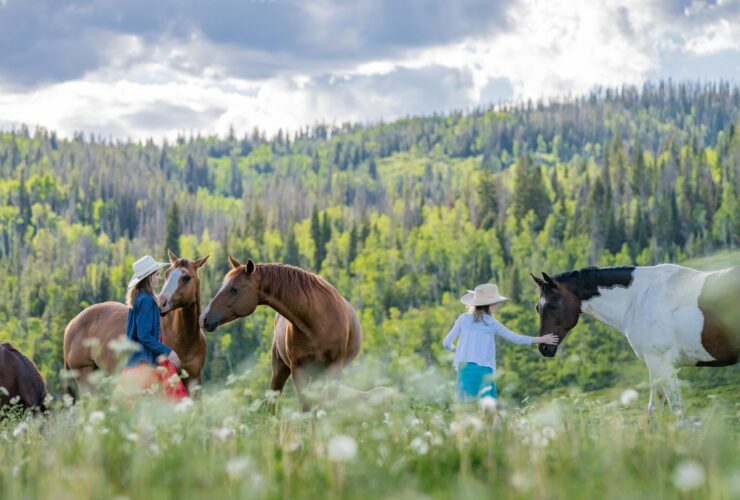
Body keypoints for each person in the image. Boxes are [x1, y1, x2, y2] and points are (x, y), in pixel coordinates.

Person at [443, 283, 558, 401]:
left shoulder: (463, 319)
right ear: (488, 306)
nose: (496, 307)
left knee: (466, 414)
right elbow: (516, 339)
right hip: (483, 373)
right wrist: (543, 339)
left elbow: (446, 343)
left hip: (463, 373)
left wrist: (456, 350)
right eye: (495, 304)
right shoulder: (491, 323)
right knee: (488, 413)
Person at [122, 255, 186, 401]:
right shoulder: (146, 300)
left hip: (136, 361)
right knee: (172, 399)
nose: (159, 278)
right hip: (147, 361)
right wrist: (167, 351)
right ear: (149, 278)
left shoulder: (138, 298)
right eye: (156, 275)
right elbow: (144, 335)